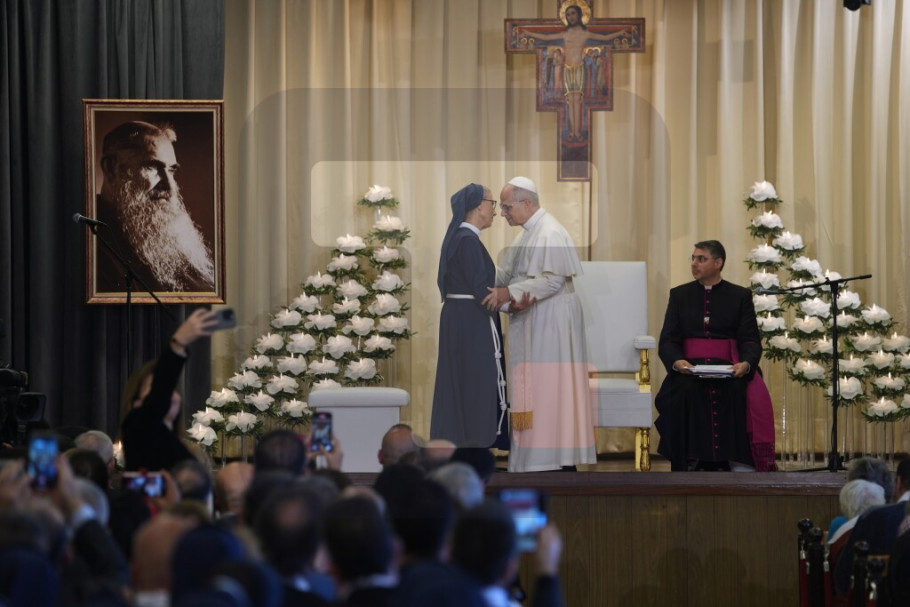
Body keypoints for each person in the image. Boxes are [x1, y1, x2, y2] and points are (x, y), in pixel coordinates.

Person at [483, 176, 595, 473]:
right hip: (536, 317)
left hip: (552, 321)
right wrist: (477, 268)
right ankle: (530, 462)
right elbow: (507, 275)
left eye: (507, 207)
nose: (502, 213)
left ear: (526, 203)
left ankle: (552, 461)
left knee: (548, 391)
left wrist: (508, 293)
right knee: (535, 389)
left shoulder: (551, 232)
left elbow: (553, 281)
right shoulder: (527, 234)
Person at [653, 240, 775, 472]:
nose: (694, 263)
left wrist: (746, 364)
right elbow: (668, 340)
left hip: (729, 367)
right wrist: (677, 362)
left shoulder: (739, 296)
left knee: (737, 390)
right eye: (693, 258)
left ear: (718, 263)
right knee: (684, 391)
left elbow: (750, 340)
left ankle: (736, 459)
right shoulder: (679, 295)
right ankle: (689, 459)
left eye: (701, 259)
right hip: (689, 369)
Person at [431, 183, 509, 449]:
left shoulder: (460, 238)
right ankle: (474, 445)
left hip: (459, 318)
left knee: (459, 382)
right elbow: (482, 291)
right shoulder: (468, 241)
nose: (495, 211)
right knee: (476, 382)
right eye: (492, 204)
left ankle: (458, 442)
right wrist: (514, 304)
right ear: (478, 206)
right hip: (471, 321)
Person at [95, 120, 215, 293]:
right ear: (111, 169)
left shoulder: (165, 238)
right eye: (152, 167)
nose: (170, 186)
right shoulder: (90, 245)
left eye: (172, 171)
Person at [120, 308, 220, 471]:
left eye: (172, 389)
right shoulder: (137, 428)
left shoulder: (175, 442)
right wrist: (178, 343)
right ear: (136, 401)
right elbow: (158, 399)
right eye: (153, 388)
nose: (169, 395)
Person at [516, 5, 633, 142]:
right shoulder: (564, 34)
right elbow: (546, 38)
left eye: (573, 13)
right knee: (570, 101)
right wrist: (528, 33)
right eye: (568, 15)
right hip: (567, 69)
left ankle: (577, 131)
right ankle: (572, 130)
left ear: (579, 15)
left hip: (578, 69)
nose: (570, 17)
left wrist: (621, 32)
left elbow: (605, 38)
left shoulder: (585, 34)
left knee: (577, 100)